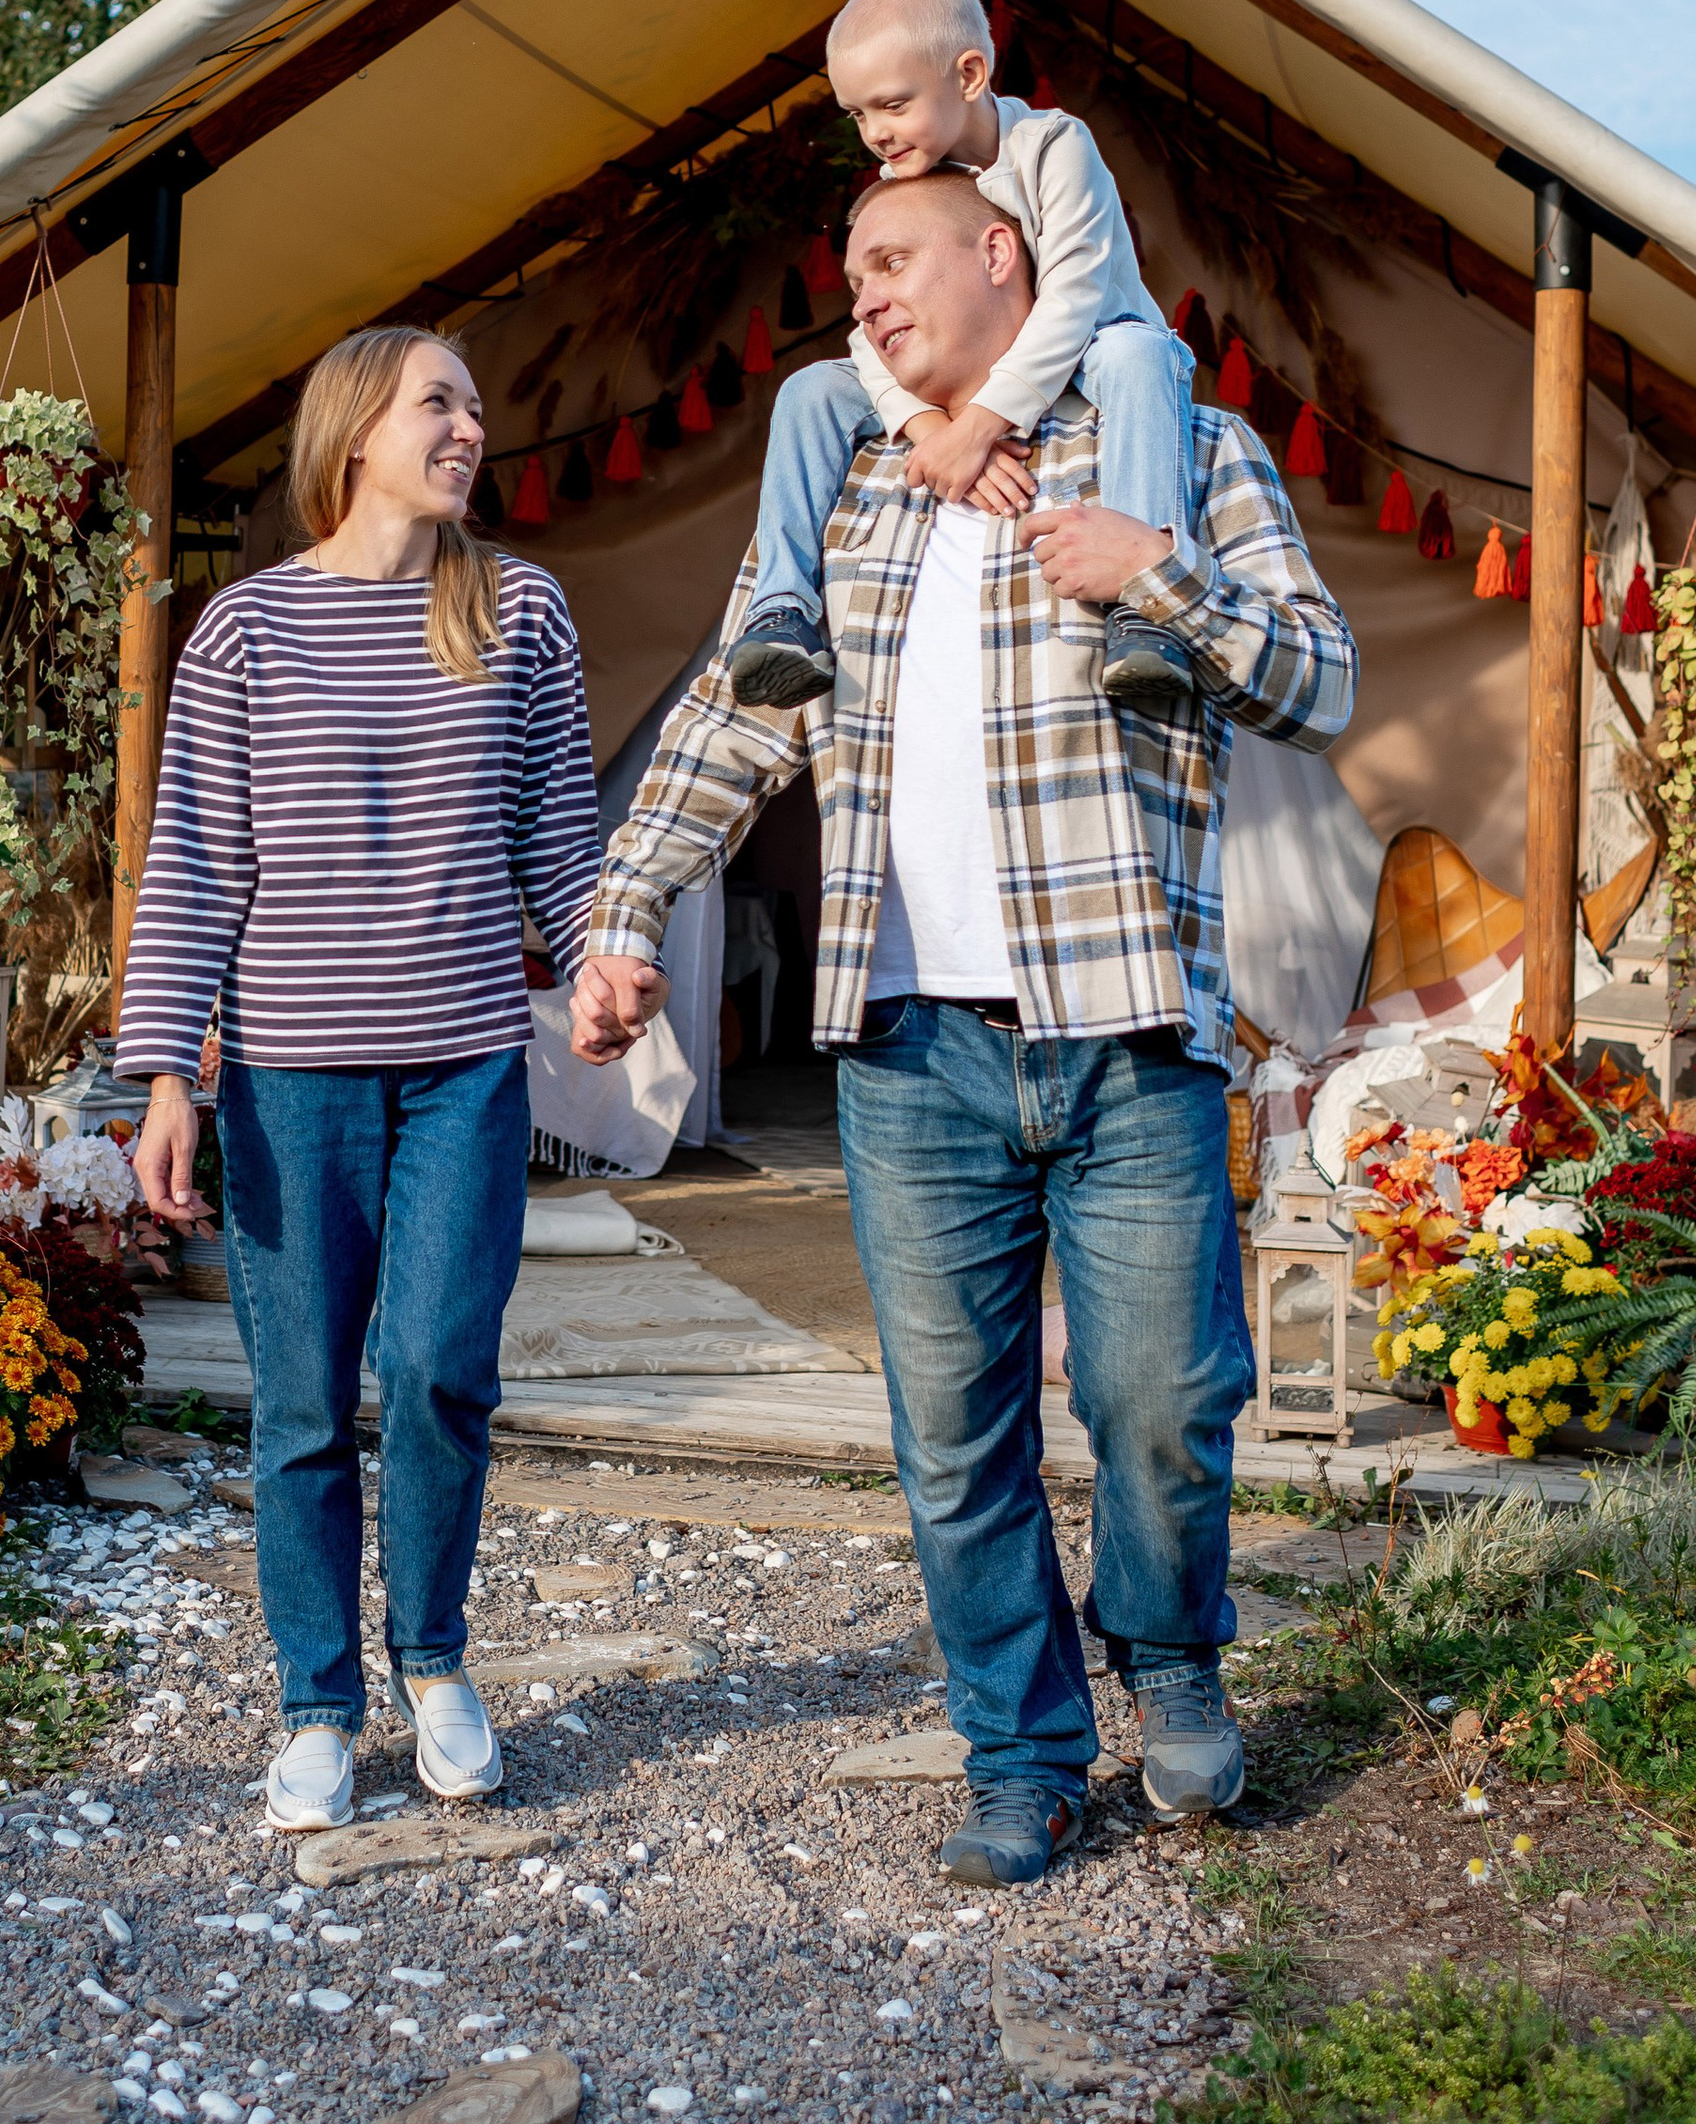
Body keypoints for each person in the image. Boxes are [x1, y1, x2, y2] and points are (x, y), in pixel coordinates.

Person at [573, 173, 1356, 1888]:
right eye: (846, 268)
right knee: (953, 1430)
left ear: (1005, 253)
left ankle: (1166, 1647)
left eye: (890, 259)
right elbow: (730, 711)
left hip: (1133, 1024)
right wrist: (627, 908)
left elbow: (1321, 676)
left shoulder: (1183, 446)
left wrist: (1161, 576)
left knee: (1165, 1396)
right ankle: (1022, 1746)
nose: (859, 295)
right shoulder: (846, 488)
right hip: (910, 1047)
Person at [122, 326, 601, 1833]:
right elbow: (195, 861)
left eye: (475, 403)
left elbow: (559, 838)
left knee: (444, 1368)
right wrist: (164, 1073)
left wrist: (603, 960)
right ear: (353, 435)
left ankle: (438, 1660)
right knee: (306, 1404)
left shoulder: (521, 611)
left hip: (465, 1067)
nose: (471, 428)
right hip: (290, 1077)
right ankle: (319, 1704)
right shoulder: (245, 632)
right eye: (440, 403)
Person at [729, 0, 1197, 717]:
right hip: (967, 402)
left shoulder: (1054, 147)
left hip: (1093, 356)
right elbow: (863, 338)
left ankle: (1143, 611)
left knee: (1138, 351)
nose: (876, 134)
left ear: (971, 73)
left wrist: (981, 424)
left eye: (891, 105)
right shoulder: (906, 184)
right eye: (857, 116)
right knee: (810, 389)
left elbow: (1074, 297)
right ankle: (781, 611)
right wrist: (932, 429)